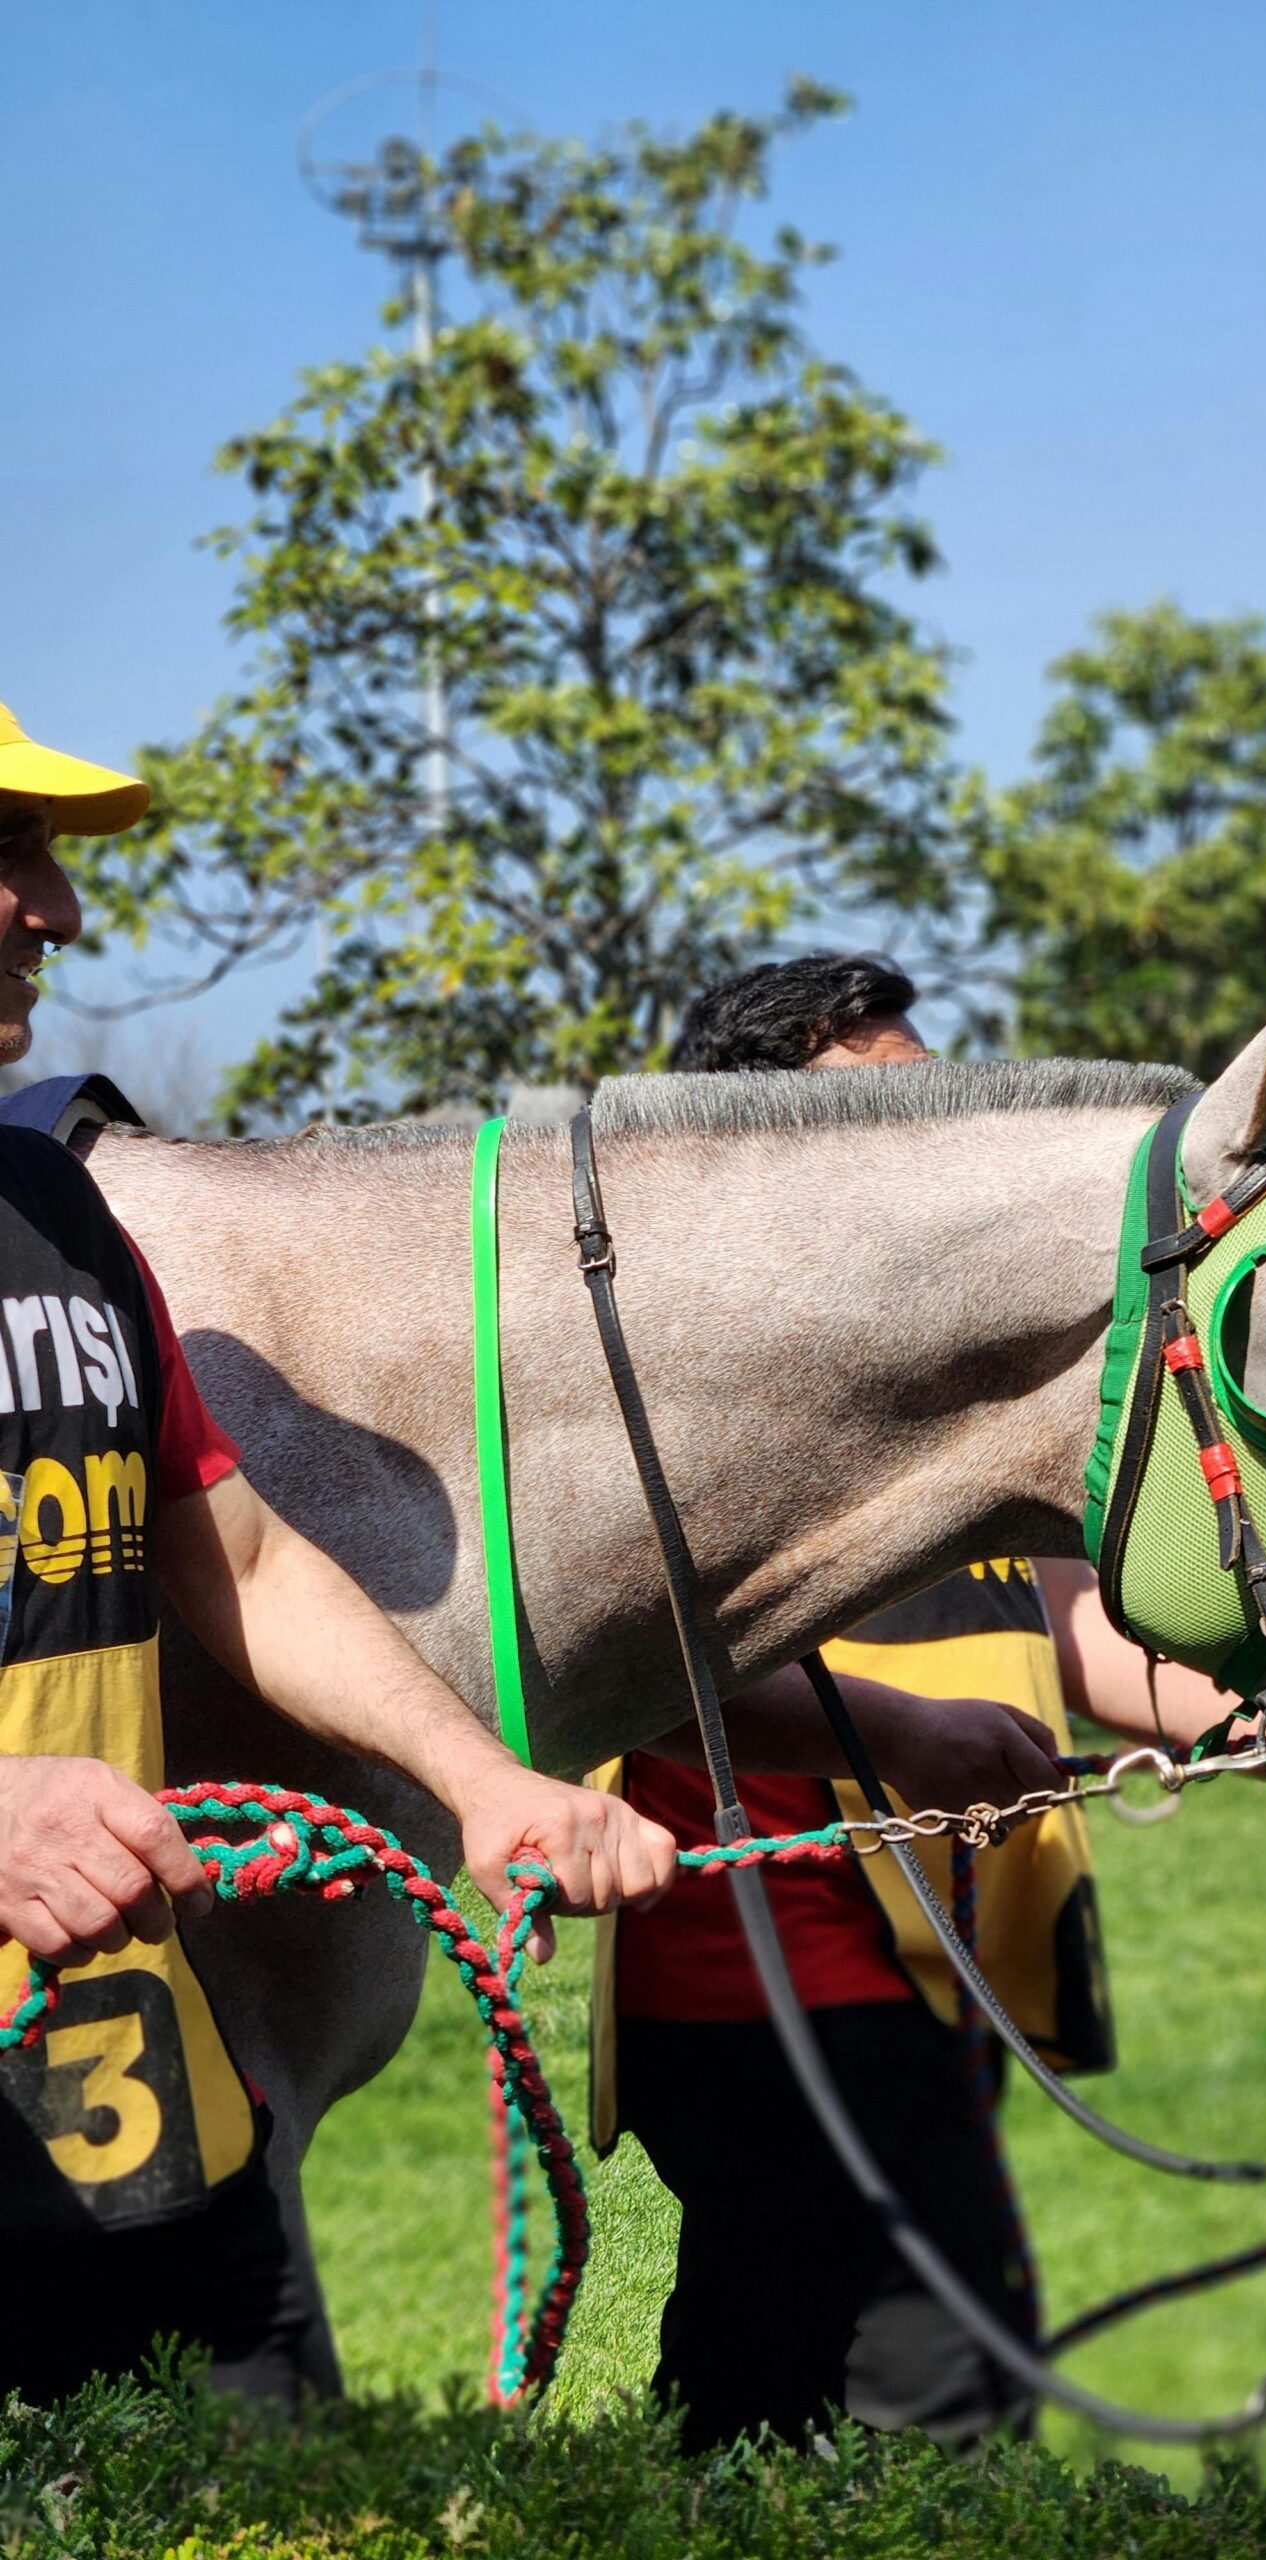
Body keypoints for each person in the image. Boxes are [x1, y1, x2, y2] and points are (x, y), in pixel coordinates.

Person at [596, 953, 1266, 2452]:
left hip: (943, 1952)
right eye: (882, 1108)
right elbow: (620, 1663)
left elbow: (1062, 1618)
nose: (940, 1131)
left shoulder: (966, 1366)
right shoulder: (678, 1369)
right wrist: (905, 1738)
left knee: (821, 2383)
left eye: (938, 1093)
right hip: (763, 1956)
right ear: (748, 1140)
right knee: (913, 2391)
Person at [0, 703, 697, 2401]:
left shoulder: (61, 1218)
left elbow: (240, 1561)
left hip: (124, 2107)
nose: (58, 909)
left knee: (278, 2496)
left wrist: (484, 1783)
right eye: (7, 854)